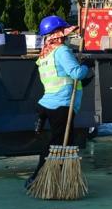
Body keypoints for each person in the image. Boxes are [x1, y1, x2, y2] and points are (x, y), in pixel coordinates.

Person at [26, 15, 90, 189]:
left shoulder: (45, 55)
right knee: (58, 144)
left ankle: (58, 178)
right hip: (61, 105)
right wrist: (86, 66)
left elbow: (62, 76)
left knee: (62, 142)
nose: (68, 37)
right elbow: (76, 73)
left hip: (48, 103)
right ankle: (39, 177)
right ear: (59, 34)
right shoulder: (61, 51)